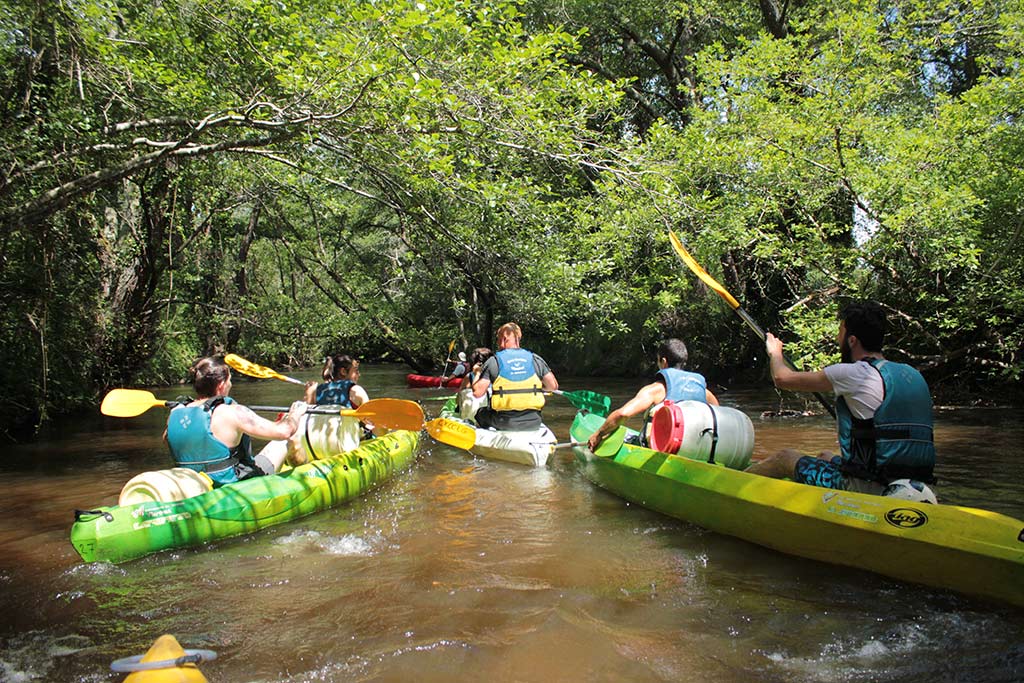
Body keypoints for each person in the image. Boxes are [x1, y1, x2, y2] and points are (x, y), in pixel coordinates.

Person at [745, 300, 936, 494]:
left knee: (784, 458)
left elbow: (781, 378)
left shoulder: (855, 373)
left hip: (868, 486)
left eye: (840, 332)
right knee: (825, 456)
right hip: (913, 485)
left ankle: (734, 485)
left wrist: (775, 353)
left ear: (852, 341)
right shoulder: (912, 374)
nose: (838, 338)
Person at [164, 355, 306, 487]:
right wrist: (295, 413)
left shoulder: (175, 412)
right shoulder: (232, 412)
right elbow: (285, 431)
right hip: (234, 484)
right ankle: (305, 475)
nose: (230, 384)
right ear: (221, 385)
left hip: (194, 484)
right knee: (286, 440)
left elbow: (168, 439)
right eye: (229, 380)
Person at [588, 338, 719, 451]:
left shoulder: (656, 390)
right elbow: (718, 416)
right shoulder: (704, 391)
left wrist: (599, 434)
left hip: (662, 450)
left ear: (663, 361)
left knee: (617, 435)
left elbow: (623, 414)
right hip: (694, 449)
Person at [289, 354, 373, 465]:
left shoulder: (315, 390)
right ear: (343, 371)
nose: (359, 374)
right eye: (356, 371)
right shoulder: (356, 390)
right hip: (342, 448)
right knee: (372, 428)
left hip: (315, 448)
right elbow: (370, 419)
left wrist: (308, 392)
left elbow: (305, 415)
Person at [471, 323, 558, 430]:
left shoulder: (494, 361)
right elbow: (553, 386)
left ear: (504, 339)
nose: (497, 343)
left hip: (503, 421)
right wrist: (539, 388)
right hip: (534, 421)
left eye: (498, 339)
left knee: (480, 413)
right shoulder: (535, 359)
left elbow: (477, 393)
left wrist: (478, 373)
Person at [458, 347, 493, 420]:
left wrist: (477, 374)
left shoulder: (469, 377)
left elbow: (459, 397)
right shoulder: (496, 375)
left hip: (472, 416)